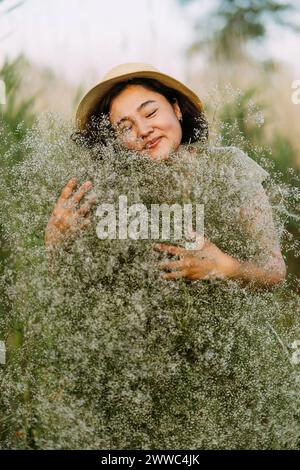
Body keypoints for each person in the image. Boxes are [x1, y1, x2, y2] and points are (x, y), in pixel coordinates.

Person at [44, 62, 286, 288]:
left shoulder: (228, 167)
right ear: (115, 141)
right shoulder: (110, 190)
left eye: (150, 113)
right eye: (126, 128)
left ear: (176, 108)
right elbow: (77, 287)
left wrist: (225, 267)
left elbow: (275, 272)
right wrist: (56, 244)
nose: (143, 130)